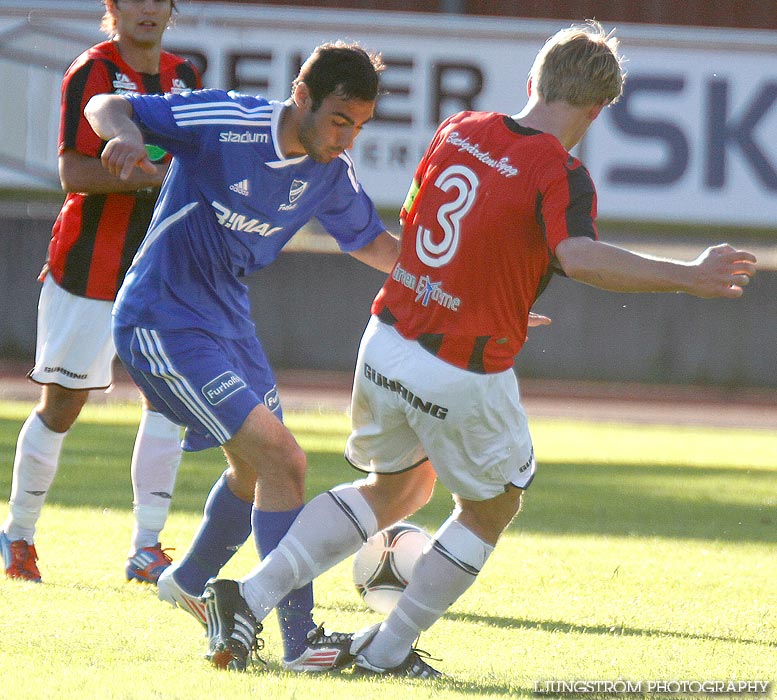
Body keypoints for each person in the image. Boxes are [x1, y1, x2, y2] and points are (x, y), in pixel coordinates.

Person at [193, 20, 758, 678]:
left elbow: (420, 221)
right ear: (599, 109)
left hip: (384, 340)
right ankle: (387, 648)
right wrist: (688, 275)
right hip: (456, 366)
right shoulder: (561, 171)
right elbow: (576, 255)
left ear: (531, 82)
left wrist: (495, 295)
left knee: (397, 488)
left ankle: (246, 595)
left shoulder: (457, 129)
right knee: (492, 503)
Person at [83, 41, 413, 671]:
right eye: (340, 120)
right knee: (284, 458)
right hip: (162, 318)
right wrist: (123, 137)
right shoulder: (228, 122)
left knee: (257, 469)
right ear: (302, 97)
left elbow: (372, 242)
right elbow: (106, 104)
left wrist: (464, 293)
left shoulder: (329, 174)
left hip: (229, 326)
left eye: (360, 127)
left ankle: (190, 580)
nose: (347, 139)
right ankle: (300, 642)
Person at [0, 0, 201, 585]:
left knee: (167, 399)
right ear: (112, 7)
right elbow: (73, 173)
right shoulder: (90, 70)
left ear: (170, 9)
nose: (146, 9)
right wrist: (151, 177)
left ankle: (147, 546)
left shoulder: (185, 77)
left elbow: (194, 159)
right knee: (63, 403)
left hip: (160, 265)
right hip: (90, 262)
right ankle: (19, 533)